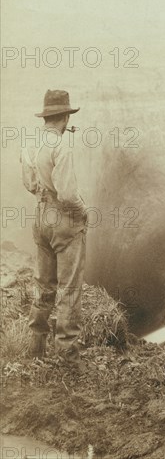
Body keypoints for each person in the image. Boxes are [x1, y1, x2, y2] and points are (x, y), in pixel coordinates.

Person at [21, 89, 88, 365]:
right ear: (63, 117)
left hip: (41, 215)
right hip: (63, 218)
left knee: (43, 284)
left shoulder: (30, 143)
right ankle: (67, 355)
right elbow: (69, 194)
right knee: (69, 288)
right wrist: (83, 213)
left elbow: (29, 183)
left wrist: (43, 196)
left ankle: (36, 346)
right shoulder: (62, 145)